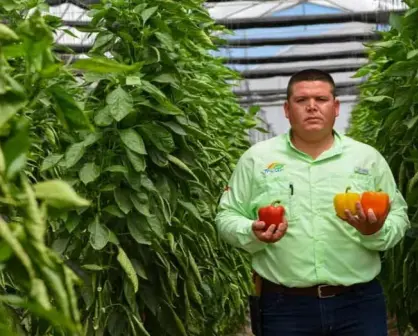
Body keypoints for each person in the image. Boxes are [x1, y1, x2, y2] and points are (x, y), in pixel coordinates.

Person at [215, 69, 410, 336]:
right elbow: (227, 215)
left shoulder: (367, 159)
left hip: (359, 303)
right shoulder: (257, 159)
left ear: (336, 107)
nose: (312, 107)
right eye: (301, 100)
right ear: (286, 109)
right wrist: (252, 232)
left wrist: (374, 232)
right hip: (284, 306)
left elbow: (398, 215)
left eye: (321, 99)